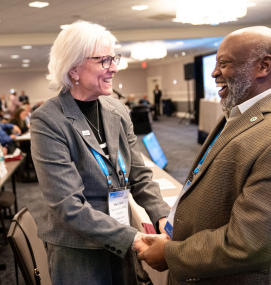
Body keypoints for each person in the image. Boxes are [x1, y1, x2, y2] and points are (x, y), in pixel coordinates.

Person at [138, 26, 271, 284]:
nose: (215, 73)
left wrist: (171, 254)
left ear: (264, 66)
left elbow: (249, 241)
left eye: (224, 64)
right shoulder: (240, 111)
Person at [31, 20, 170, 285]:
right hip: (78, 249)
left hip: (121, 234)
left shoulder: (116, 109)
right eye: (104, 61)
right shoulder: (48, 120)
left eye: (113, 58)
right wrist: (136, 238)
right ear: (73, 69)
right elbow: (67, 205)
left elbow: (139, 174)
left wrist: (162, 216)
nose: (114, 68)